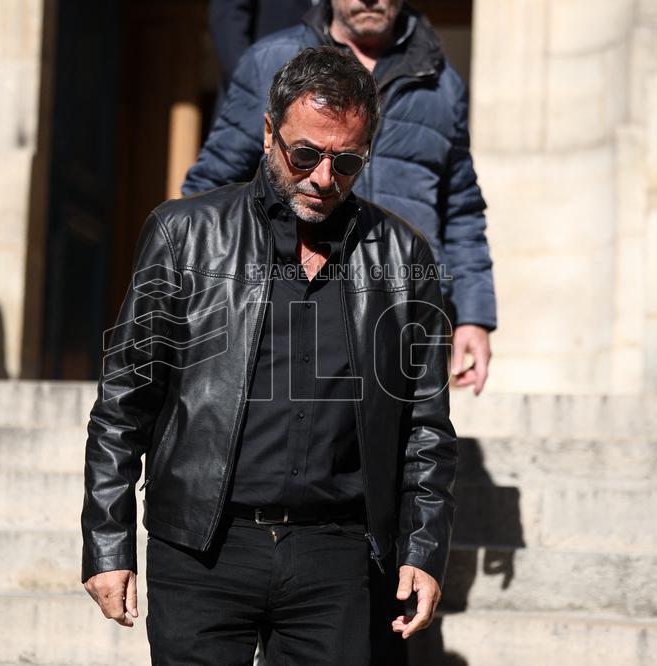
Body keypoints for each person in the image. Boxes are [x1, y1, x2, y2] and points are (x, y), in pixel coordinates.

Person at [82, 47, 457, 665]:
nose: (321, 178)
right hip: (201, 545)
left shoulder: (403, 256)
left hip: (339, 554)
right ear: (267, 134)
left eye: (347, 162)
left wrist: (423, 546)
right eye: (305, 154)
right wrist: (107, 542)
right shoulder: (184, 235)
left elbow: (425, 425)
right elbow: (123, 404)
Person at [185, 0, 496, 396]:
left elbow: (462, 209)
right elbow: (212, 186)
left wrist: (474, 316)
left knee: (404, 449)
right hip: (285, 314)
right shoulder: (271, 60)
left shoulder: (442, 83)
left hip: (399, 313)